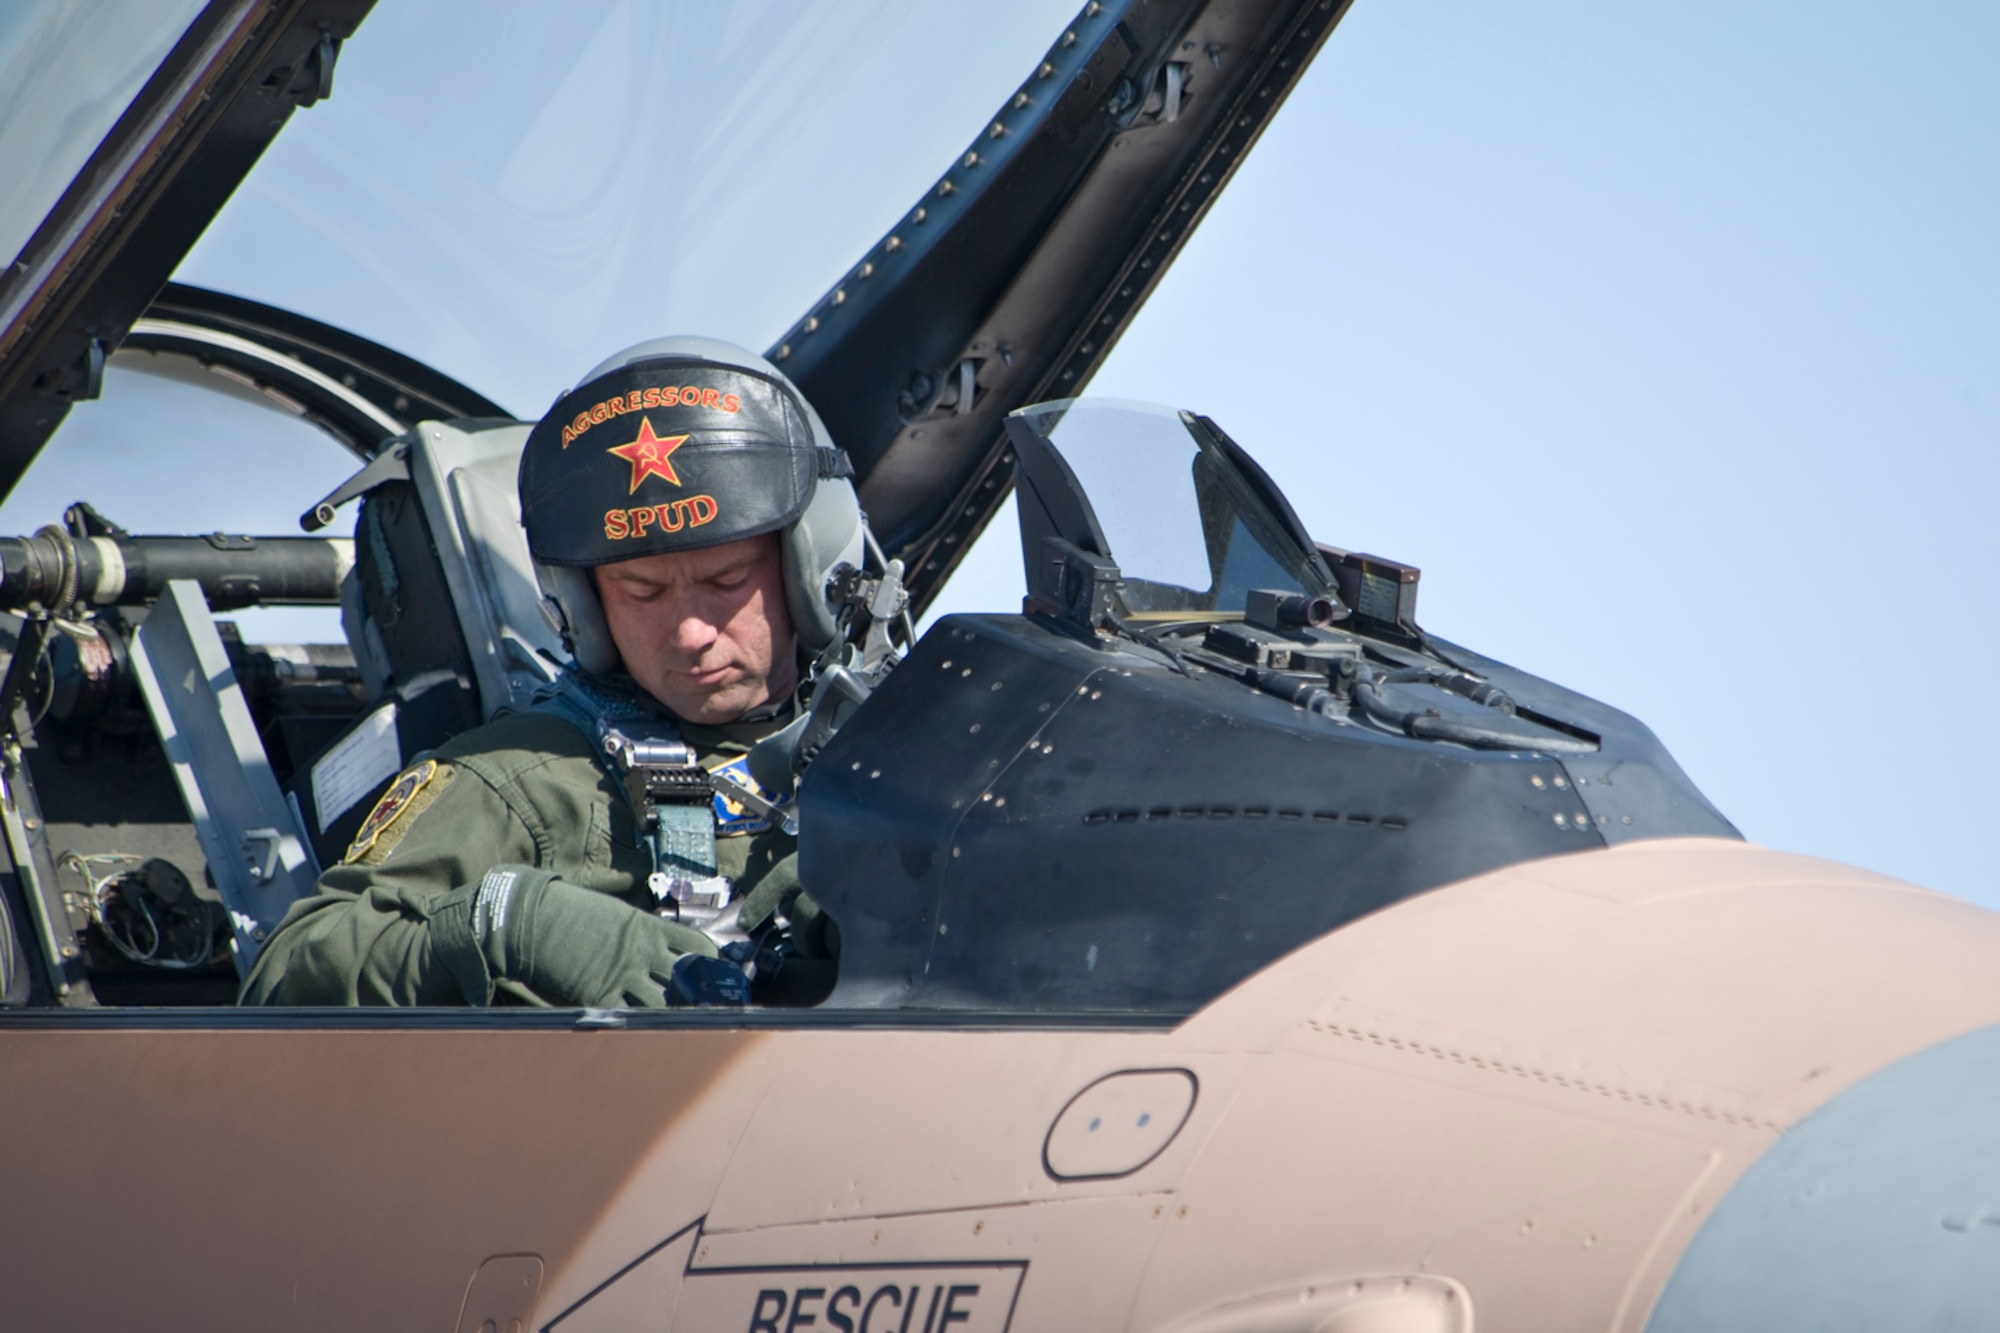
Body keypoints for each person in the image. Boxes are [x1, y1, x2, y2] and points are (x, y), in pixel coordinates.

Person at [241, 337, 871, 1008]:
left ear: (810, 565)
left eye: (726, 579)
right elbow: (284, 976)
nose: (690, 631)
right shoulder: (529, 776)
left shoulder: (910, 742)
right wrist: (511, 926)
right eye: (642, 591)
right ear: (583, 604)